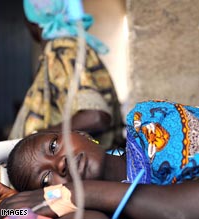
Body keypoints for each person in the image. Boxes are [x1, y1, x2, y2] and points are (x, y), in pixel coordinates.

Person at [0, 100, 199, 219]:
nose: (60, 164)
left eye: (53, 145)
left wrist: (76, 191)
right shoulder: (103, 211)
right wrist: (4, 211)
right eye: (46, 178)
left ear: (79, 133)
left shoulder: (150, 124)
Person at [8, 0, 125, 150]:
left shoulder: (60, 50)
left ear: (33, 22)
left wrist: (36, 137)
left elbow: (96, 116)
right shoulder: (72, 46)